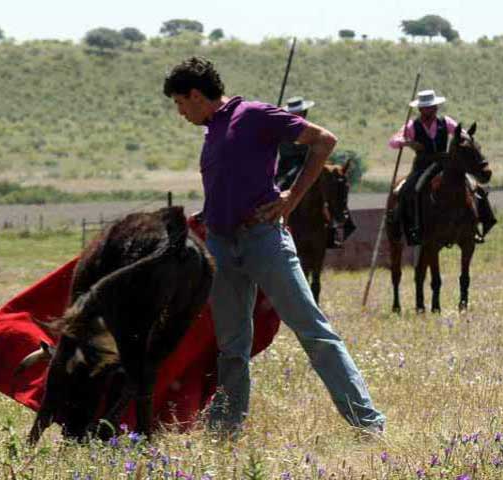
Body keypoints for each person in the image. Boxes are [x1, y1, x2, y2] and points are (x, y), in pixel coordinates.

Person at [163, 56, 385, 436]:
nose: (181, 113)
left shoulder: (253, 114)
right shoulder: (213, 130)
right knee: (231, 345)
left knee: (313, 331)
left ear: (196, 95)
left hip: (262, 240)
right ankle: (226, 431)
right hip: (221, 244)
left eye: (181, 104)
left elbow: (324, 141)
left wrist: (290, 200)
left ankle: (367, 424)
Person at [389, 89, 496, 245]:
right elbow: (393, 141)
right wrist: (407, 142)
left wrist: (467, 138)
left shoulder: (445, 122)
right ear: (420, 109)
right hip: (422, 166)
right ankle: (405, 228)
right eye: (426, 108)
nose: (430, 110)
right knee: (407, 190)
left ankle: (479, 226)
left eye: (432, 107)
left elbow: (462, 134)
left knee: (475, 187)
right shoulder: (412, 125)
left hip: (444, 163)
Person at [276, 96, 355, 248]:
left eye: (300, 112)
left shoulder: (310, 128)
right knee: (278, 189)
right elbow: (285, 151)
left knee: (333, 185)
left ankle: (338, 222)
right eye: (296, 113)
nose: (299, 115)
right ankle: (276, 222)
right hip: (288, 168)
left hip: (309, 165)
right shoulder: (283, 128)